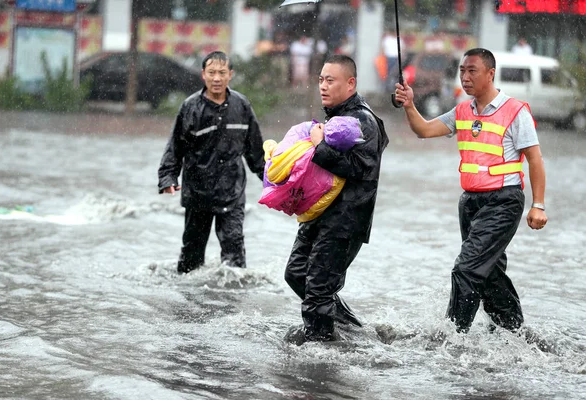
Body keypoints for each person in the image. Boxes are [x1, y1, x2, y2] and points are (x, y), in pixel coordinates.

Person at [394, 48, 547, 333]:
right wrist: (409, 105)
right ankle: (513, 332)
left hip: (504, 202)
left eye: (472, 70)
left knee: (466, 269)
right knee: (488, 273)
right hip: (470, 204)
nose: (464, 77)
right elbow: (424, 130)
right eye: (462, 70)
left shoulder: (515, 111)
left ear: (491, 74)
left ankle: (453, 337)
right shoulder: (463, 110)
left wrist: (538, 205)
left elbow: (535, 159)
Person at [284, 54, 389, 344]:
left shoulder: (364, 121)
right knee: (296, 274)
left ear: (350, 83)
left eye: (330, 80)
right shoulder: (337, 117)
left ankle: (319, 347)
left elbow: (360, 169)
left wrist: (319, 147)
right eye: (320, 80)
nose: (323, 86)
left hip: (345, 220)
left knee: (318, 288)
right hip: (319, 213)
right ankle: (355, 332)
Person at [158, 51, 265, 274]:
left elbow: (255, 149)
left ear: (230, 75)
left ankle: (233, 303)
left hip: (232, 191)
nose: (217, 78)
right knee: (191, 257)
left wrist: (272, 178)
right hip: (198, 192)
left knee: (234, 253)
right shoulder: (190, 107)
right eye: (212, 73)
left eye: (222, 73)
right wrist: (168, 177)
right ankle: (187, 300)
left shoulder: (242, 106)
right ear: (203, 75)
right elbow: (175, 147)